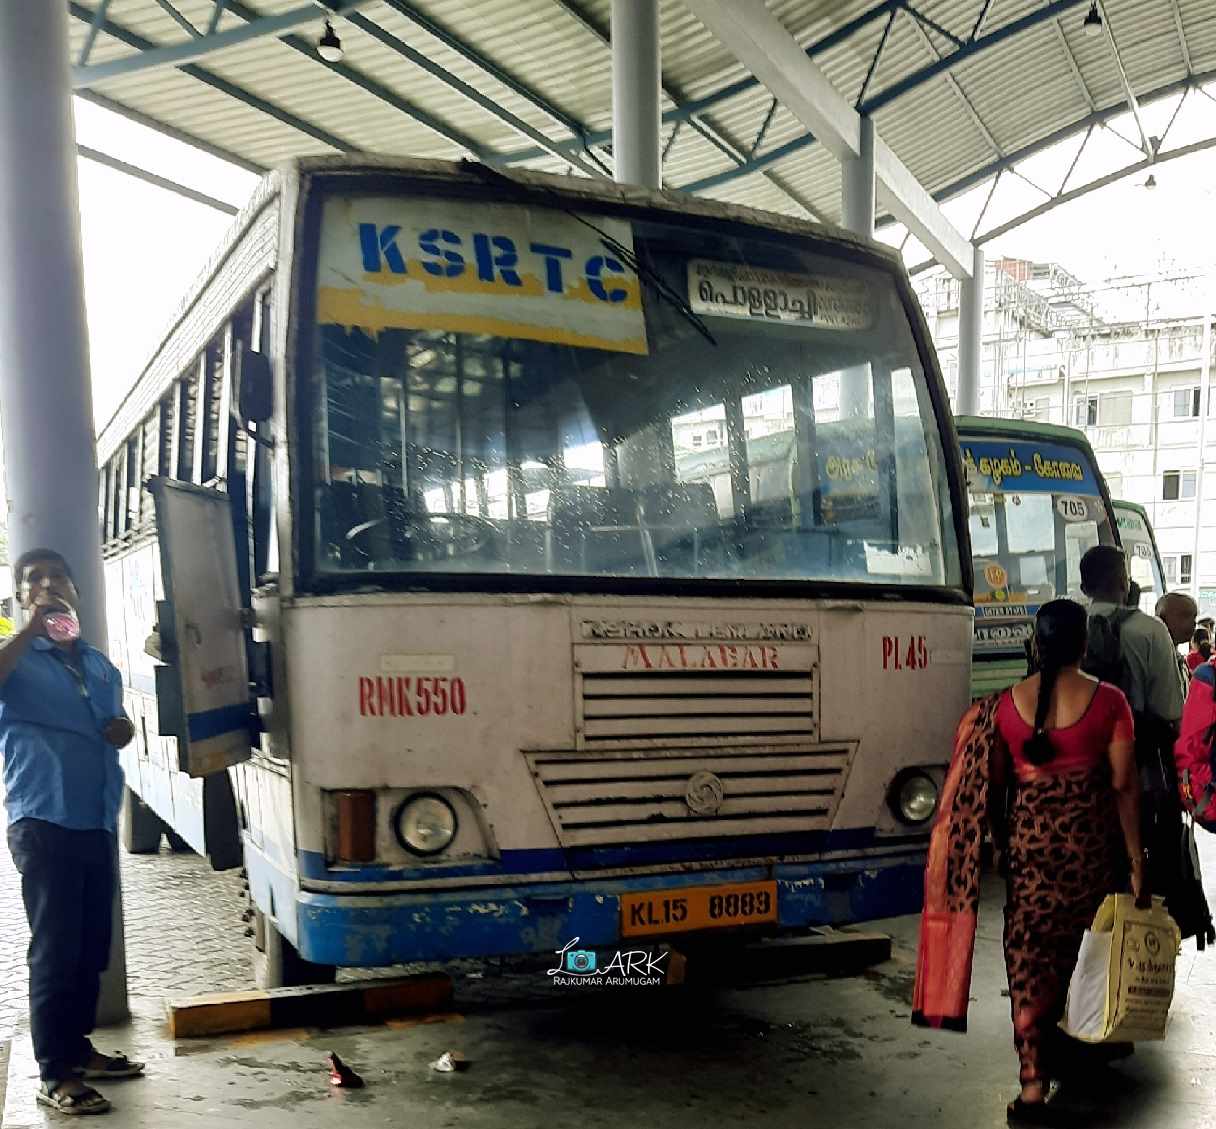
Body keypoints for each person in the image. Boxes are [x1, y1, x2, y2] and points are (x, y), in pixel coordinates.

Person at [913, 600, 1143, 1126]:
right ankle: (1086, 1056)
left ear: (1034, 645)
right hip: (1091, 858)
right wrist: (1136, 860)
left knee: (1029, 964)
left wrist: (1000, 844)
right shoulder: (1109, 702)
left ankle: (1033, 1085)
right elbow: (1125, 786)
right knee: (1087, 959)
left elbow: (991, 792)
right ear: (1084, 644)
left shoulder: (1001, 708)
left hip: (1030, 862)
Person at [0, 549, 144, 1115]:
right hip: (44, 818)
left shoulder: (98, 664)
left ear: (76, 592)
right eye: (32, 579)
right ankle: (54, 1072)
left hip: (95, 816)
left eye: (57, 576)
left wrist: (122, 729)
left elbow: (110, 724)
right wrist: (26, 628)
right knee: (57, 948)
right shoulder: (17, 658)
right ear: (18, 596)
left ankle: (79, 1050)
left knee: (89, 945)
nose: (46, 584)